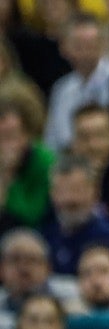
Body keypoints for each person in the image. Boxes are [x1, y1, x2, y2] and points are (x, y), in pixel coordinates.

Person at [45, 15, 109, 152]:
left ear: (104, 44)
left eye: (91, 43)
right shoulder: (62, 88)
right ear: (64, 47)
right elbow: (52, 142)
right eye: (78, 44)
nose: (85, 50)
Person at [40, 154, 109, 275]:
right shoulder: (45, 237)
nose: (68, 199)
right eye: (61, 191)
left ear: (95, 192)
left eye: (76, 190)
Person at [0, 98, 53, 232]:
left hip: (35, 234)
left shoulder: (45, 162)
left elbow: (31, 217)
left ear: (27, 135)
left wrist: (7, 176)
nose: (3, 144)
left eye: (10, 136)